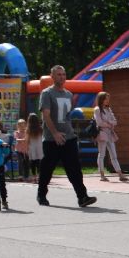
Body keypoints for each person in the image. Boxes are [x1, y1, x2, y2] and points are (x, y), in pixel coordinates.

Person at [36, 65, 95, 208]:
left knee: (74, 168)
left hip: (69, 137)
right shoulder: (47, 93)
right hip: (51, 139)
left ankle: (82, 197)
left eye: (63, 74)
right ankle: (41, 194)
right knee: (47, 169)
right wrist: (55, 133)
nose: (62, 77)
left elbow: (67, 116)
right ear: (52, 76)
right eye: (58, 74)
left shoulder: (68, 94)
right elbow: (46, 115)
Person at [93, 91, 125, 181]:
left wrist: (108, 123)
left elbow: (115, 121)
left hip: (110, 133)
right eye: (106, 99)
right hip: (102, 133)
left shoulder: (108, 109)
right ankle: (102, 175)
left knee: (114, 154)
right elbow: (99, 123)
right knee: (102, 154)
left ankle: (120, 175)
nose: (107, 101)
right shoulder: (97, 109)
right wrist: (109, 124)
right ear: (101, 99)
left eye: (108, 99)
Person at [23, 113, 44, 180]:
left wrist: (25, 149)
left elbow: (27, 140)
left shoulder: (28, 130)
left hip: (32, 147)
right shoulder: (40, 129)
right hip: (39, 147)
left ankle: (34, 176)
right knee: (39, 162)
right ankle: (39, 175)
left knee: (32, 162)